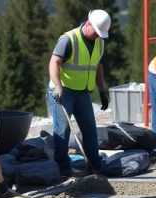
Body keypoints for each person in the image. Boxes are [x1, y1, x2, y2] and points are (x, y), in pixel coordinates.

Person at [47, 9, 110, 177]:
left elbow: (97, 66)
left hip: (82, 93)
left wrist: (102, 90)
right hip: (63, 91)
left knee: (89, 129)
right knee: (63, 130)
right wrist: (58, 87)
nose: (98, 36)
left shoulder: (99, 42)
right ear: (88, 23)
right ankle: (63, 170)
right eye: (96, 32)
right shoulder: (69, 39)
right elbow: (54, 63)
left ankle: (94, 166)